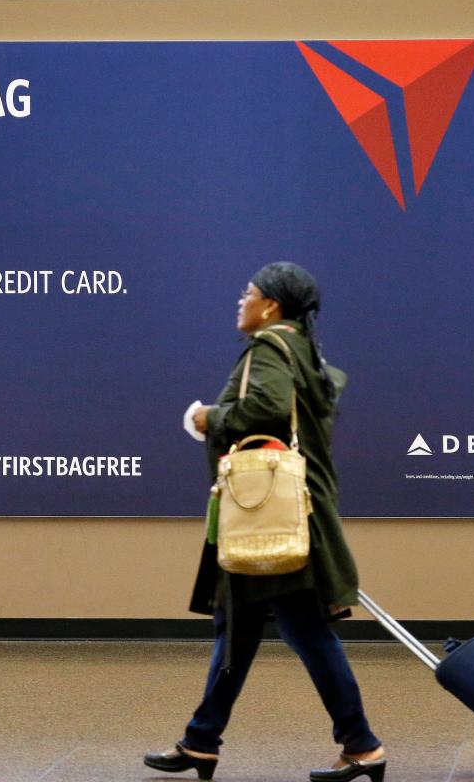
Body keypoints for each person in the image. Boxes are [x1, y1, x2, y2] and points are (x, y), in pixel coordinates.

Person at [144, 262, 385, 782]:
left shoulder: (270, 350)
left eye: (247, 293)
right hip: (292, 513)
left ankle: (362, 745)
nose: (240, 301)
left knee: (307, 634)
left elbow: (268, 407)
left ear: (271, 305)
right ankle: (201, 741)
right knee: (238, 629)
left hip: (269, 519)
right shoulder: (305, 353)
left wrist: (211, 417)